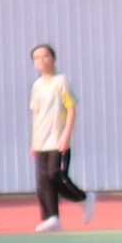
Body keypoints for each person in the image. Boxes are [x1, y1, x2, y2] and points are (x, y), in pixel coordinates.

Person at [26, 43, 94, 229]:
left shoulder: (61, 82)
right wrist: (34, 141)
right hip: (41, 140)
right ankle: (52, 217)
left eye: (45, 56)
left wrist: (66, 136)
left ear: (53, 59)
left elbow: (71, 109)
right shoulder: (37, 86)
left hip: (57, 139)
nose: (41, 60)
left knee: (55, 176)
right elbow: (36, 113)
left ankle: (83, 198)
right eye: (37, 58)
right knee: (43, 182)